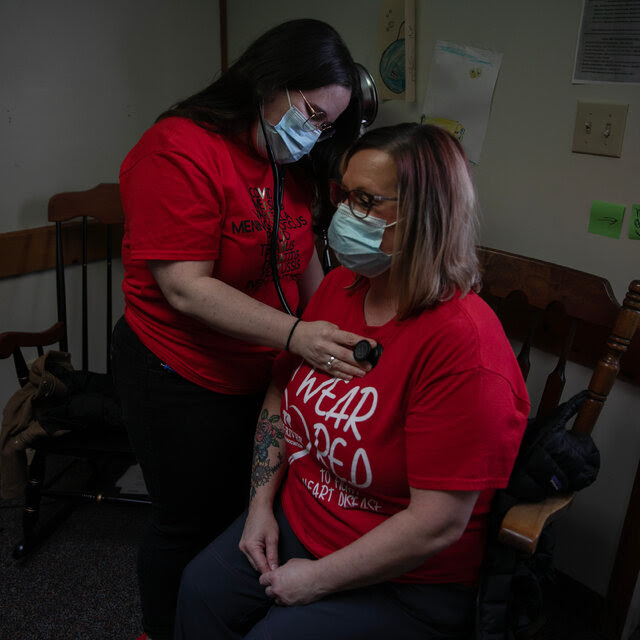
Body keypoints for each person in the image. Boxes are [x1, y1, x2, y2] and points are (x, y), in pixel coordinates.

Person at [173, 123, 531, 640]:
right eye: (343, 194)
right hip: (302, 522)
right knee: (198, 590)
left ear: (424, 217)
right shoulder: (342, 287)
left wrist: (316, 580)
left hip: (406, 580)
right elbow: (281, 394)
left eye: (365, 200)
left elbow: (438, 523)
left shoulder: (465, 347)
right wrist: (258, 509)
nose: (341, 213)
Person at [111, 19, 375, 640]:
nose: (313, 134)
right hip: (178, 371)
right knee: (186, 525)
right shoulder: (178, 148)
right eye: (311, 113)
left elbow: (304, 253)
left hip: (257, 371)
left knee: (238, 518)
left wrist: (331, 323)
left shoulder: (291, 162)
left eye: (326, 126)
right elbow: (184, 286)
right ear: (271, 82)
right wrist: (298, 336)